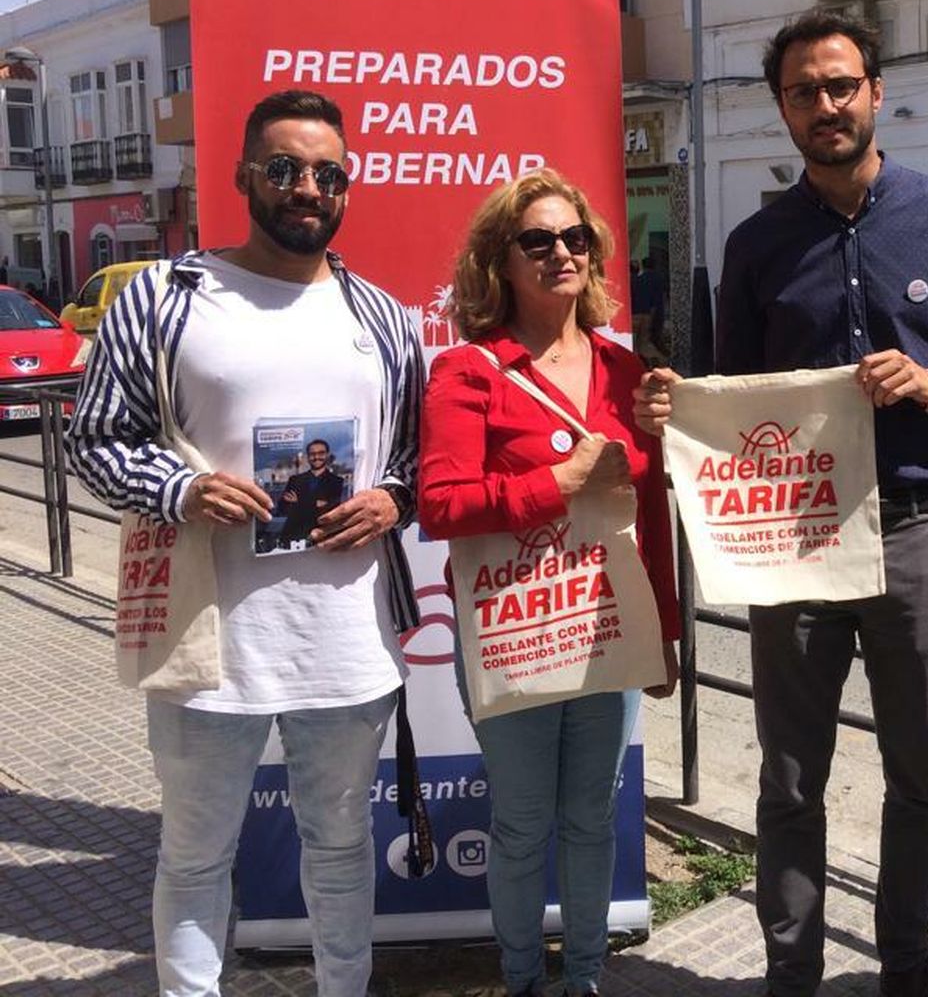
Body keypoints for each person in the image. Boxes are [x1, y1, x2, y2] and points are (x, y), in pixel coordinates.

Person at [633, 10, 928, 997]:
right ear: (782, 110)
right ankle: (791, 973)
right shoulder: (756, 243)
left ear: (875, 92)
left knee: (919, 772)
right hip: (795, 545)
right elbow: (729, 393)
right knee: (791, 777)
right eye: (804, 91)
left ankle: (906, 964)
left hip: (916, 527)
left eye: (840, 85)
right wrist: (672, 405)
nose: (825, 104)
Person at [68, 89, 424, 997]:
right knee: (194, 860)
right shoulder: (163, 297)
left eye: (327, 173)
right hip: (208, 645)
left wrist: (391, 500)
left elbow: (420, 459)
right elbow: (94, 442)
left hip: (346, 650)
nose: (307, 187)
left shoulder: (383, 316)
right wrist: (181, 489)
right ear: (243, 178)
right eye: (285, 168)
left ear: (346, 187)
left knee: (342, 851)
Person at [418, 169, 681, 997]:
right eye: (538, 240)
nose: (562, 252)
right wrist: (557, 483)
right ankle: (525, 980)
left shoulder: (623, 368)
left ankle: (588, 981)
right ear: (501, 259)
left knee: (594, 817)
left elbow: (649, 509)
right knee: (525, 825)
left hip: (607, 625)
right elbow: (441, 505)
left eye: (576, 238)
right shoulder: (469, 372)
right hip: (517, 629)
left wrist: (664, 633)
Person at [274, 439, 346, 548]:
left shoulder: (336, 482)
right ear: (308, 457)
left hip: (322, 538)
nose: (316, 457)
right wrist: (314, 503)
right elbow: (282, 509)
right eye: (312, 454)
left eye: (321, 453)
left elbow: (330, 510)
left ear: (327, 455)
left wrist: (298, 503)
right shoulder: (295, 480)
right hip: (292, 538)